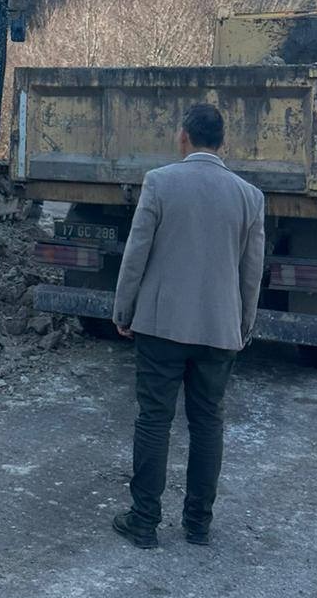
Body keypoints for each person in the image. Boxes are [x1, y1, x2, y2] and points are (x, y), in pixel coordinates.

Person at [110, 102, 265, 550]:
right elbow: (251, 272)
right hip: (220, 330)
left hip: (160, 326)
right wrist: (243, 325)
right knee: (208, 423)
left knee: (154, 421)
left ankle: (143, 521)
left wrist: (124, 311)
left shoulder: (160, 183)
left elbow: (136, 254)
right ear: (223, 143)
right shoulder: (250, 197)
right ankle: (198, 524)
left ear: (183, 137)